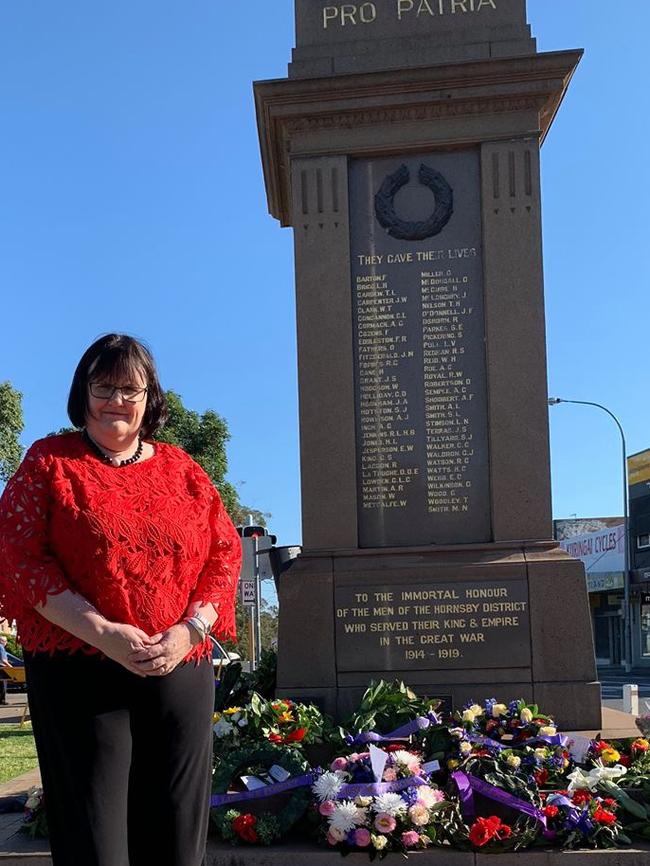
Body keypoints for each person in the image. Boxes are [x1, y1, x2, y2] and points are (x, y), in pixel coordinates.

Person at [0, 334, 242, 866]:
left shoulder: (185, 471)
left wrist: (191, 631)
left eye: (130, 389)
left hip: (179, 668)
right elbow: (19, 559)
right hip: (77, 670)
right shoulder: (48, 463)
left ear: (149, 397)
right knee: (95, 842)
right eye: (103, 386)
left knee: (177, 839)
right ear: (82, 393)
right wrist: (102, 632)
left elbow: (224, 555)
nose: (117, 400)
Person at [0, 636, 10, 704]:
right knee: (3, 684)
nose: (6, 643)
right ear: (2, 641)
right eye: (5, 641)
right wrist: (11, 667)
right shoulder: (1, 647)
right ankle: (2, 700)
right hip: (1, 668)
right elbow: (4, 660)